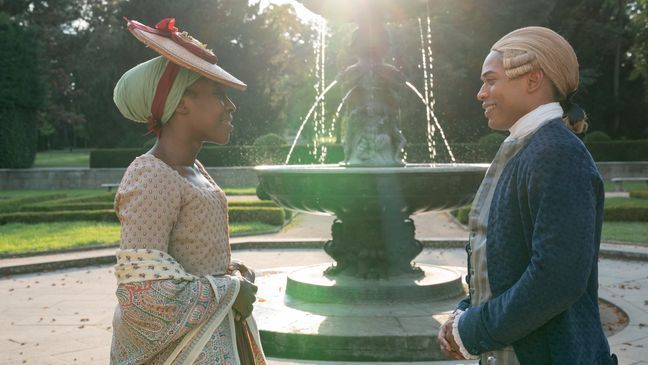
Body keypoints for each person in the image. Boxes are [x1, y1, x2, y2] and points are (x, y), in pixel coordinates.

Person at [437, 26, 617, 364]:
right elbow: (505, 267)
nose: (481, 93)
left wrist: (472, 330)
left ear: (532, 81)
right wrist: (462, 316)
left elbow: (556, 280)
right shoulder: (528, 148)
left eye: (490, 80)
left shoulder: (557, 154)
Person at [109, 17, 266, 364]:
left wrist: (231, 272)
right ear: (181, 102)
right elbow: (142, 297)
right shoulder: (152, 175)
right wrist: (229, 290)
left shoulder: (194, 169)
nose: (231, 106)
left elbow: (190, 260)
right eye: (219, 94)